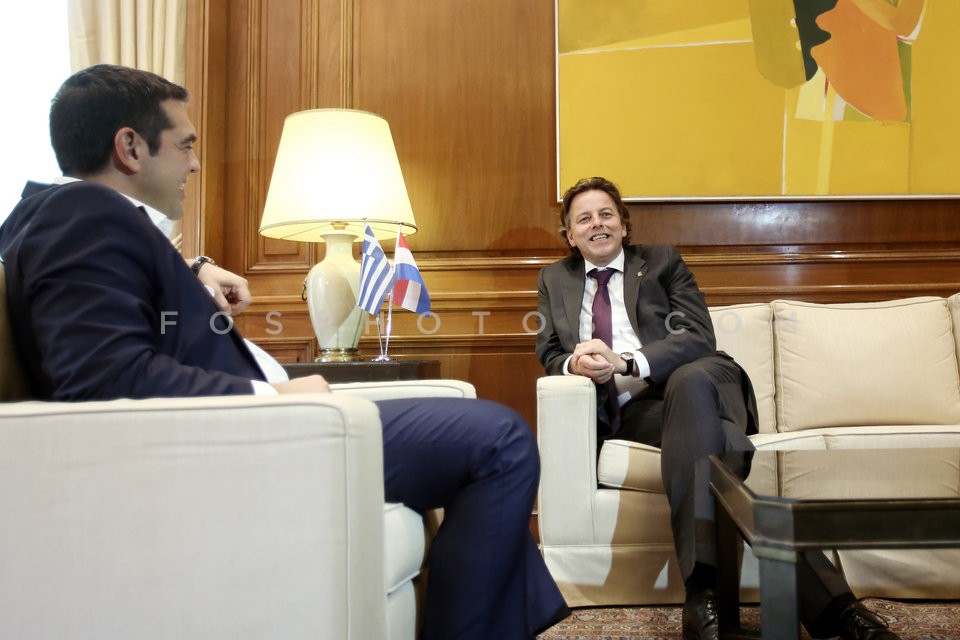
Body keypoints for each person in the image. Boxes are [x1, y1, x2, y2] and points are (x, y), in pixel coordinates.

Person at [0, 64, 568, 640]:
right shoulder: (81, 216)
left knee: (483, 439)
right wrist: (272, 394)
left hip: (269, 423)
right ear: (130, 147)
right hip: (258, 435)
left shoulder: (83, 220)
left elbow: (111, 311)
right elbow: (106, 380)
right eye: (185, 145)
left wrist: (191, 270)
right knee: (499, 439)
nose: (195, 164)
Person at [535, 176, 898, 640]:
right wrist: (576, 363)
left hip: (706, 380)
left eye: (606, 214)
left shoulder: (662, 261)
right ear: (570, 236)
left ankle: (703, 594)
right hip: (642, 414)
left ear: (624, 226)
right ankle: (839, 609)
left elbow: (696, 335)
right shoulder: (554, 279)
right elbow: (550, 351)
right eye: (584, 219)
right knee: (720, 449)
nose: (597, 224)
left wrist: (627, 362)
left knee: (688, 381)